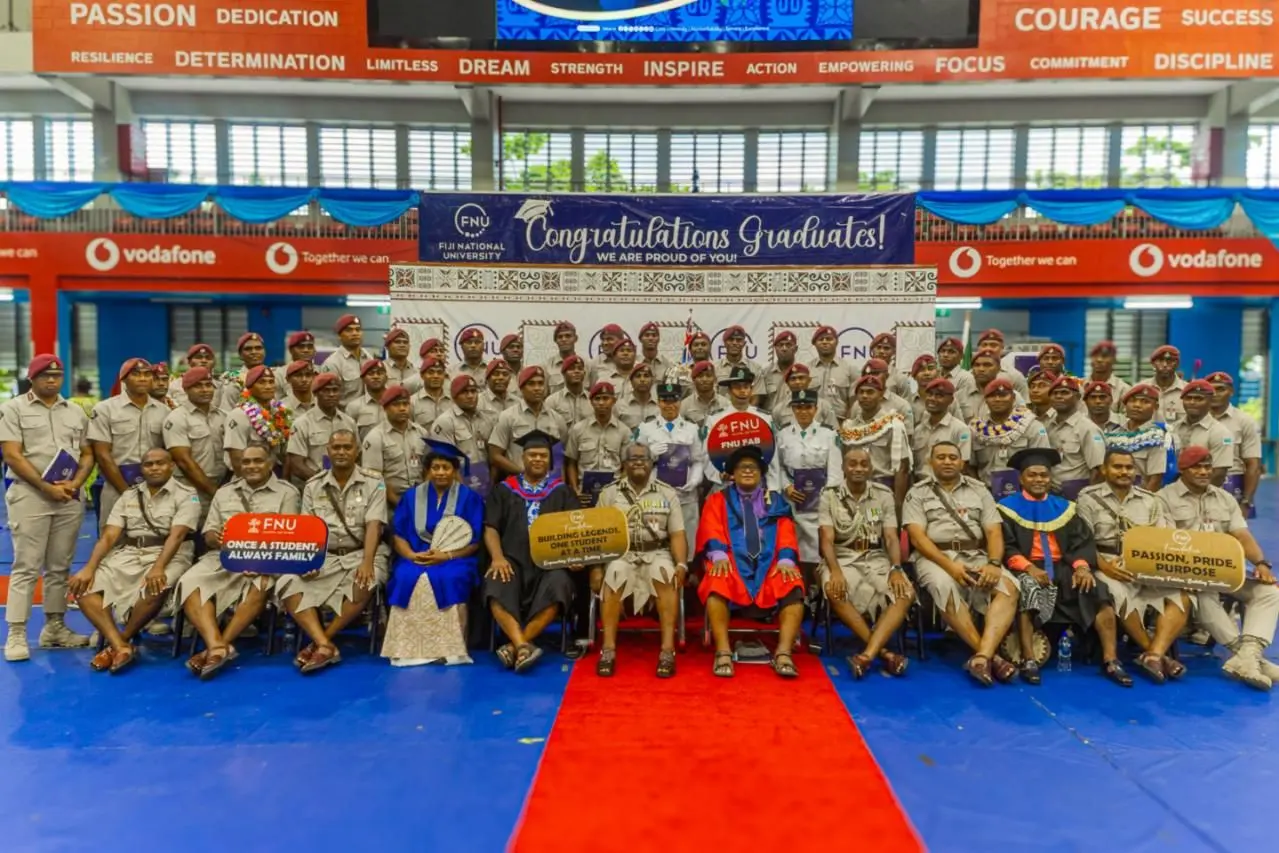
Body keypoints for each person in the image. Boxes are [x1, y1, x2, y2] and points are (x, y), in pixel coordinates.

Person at [997, 447, 1131, 686]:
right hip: (1026, 567)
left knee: (1098, 592)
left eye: (1044, 475)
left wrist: (1081, 567)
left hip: (1063, 565)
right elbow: (1007, 546)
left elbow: (1081, 542)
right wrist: (1029, 568)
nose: (1039, 480)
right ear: (1021, 479)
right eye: (1032, 475)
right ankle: (1029, 658)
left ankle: (1111, 659)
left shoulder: (1065, 508)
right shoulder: (1007, 508)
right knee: (1028, 589)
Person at [173, 445, 300, 679]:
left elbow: (288, 537)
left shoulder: (288, 493)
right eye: (246, 462)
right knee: (190, 581)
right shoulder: (224, 492)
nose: (251, 466)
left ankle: (219, 646)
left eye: (258, 461)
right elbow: (209, 533)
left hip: (266, 560)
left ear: (271, 464)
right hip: (224, 557)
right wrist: (216, 539)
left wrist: (258, 560)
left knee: (261, 584)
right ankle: (217, 646)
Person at [69, 448, 201, 673]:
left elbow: (177, 536)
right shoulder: (129, 495)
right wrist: (89, 568)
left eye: (160, 463)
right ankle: (120, 646)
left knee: (157, 585)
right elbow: (109, 536)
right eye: (148, 464)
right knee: (83, 588)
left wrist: (158, 567)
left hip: (170, 553)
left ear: (172, 466)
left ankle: (122, 640)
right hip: (130, 553)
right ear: (142, 469)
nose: (154, 468)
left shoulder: (187, 494)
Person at [0, 354, 96, 660]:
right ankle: (17, 632)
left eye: (57, 375)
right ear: (32, 378)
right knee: (26, 565)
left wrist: (76, 483)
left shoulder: (75, 412)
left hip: (68, 497)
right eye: (45, 376)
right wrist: (46, 487)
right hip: (30, 494)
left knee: (60, 565)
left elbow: (87, 453)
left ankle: (55, 626)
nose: (52, 380)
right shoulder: (13, 409)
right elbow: (12, 455)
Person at [1158, 446, 1279, 689]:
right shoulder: (1164, 499)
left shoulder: (1224, 498)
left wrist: (1261, 563)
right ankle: (1247, 658)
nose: (1204, 472)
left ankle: (1248, 656)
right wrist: (1189, 572)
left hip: (1225, 570)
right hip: (1188, 573)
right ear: (1182, 469)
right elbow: (1165, 543)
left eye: (1207, 467)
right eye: (1197, 467)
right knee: (1202, 593)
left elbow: (1242, 535)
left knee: (1268, 591)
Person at [903, 441, 1020, 686]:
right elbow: (917, 538)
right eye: (941, 457)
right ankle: (992, 657)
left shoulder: (979, 490)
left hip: (976, 555)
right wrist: (950, 567)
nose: (947, 461)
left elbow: (994, 532)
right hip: (935, 557)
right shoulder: (917, 492)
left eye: (952, 457)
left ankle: (982, 657)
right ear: (930, 462)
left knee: (1009, 588)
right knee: (944, 585)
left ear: (962, 462)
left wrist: (994, 563)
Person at [277, 429, 388, 674]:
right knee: (287, 583)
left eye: (347, 447)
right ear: (328, 451)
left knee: (365, 582)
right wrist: (308, 561)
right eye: (336, 447)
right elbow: (307, 529)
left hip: (361, 552)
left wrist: (367, 561)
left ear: (357, 452)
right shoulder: (313, 485)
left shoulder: (374, 482)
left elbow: (374, 525)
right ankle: (325, 645)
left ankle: (323, 640)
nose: (341, 452)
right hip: (324, 556)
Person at [1076, 449, 1189, 684]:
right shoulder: (1088, 498)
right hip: (1106, 563)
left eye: (1129, 467)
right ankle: (1157, 655)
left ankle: (1154, 654)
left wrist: (1155, 568)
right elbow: (1083, 542)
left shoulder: (1150, 500)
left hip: (1145, 563)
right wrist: (1105, 566)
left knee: (1181, 596)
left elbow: (1162, 540)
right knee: (1117, 593)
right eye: (1117, 467)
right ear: (1104, 469)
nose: (1124, 472)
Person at [696, 444, 805, 679]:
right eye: (742, 467)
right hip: (731, 561)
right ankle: (723, 651)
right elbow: (710, 528)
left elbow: (786, 531)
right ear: (732, 474)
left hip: (770, 564)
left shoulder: (775, 501)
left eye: (753, 467)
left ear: (761, 473)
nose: (748, 471)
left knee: (791, 582)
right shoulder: (717, 500)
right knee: (717, 579)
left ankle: (783, 653)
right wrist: (718, 554)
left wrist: (786, 559)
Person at [482, 430, 579, 673]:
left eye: (543, 455)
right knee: (495, 583)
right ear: (522, 458)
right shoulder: (504, 490)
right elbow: (491, 528)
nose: (537, 459)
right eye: (532, 455)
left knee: (560, 585)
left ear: (550, 460)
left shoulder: (562, 491)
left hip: (551, 564)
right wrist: (497, 558)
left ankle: (516, 644)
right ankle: (523, 645)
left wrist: (575, 558)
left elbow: (576, 530)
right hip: (512, 560)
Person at [382, 439, 484, 667]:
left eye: (446, 468)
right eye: (435, 467)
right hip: (416, 555)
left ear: (455, 471)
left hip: (455, 558)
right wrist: (410, 555)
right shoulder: (411, 497)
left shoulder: (470, 498)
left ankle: (450, 651)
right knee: (405, 576)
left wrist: (446, 556)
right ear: (427, 470)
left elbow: (475, 541)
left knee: (450, 577)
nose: (440, 472)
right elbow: (399, 534)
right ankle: (407, 650)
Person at [594, 441, 689, 678]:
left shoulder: (667, 493)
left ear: (651, 463)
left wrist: (681, 564)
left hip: (657, 552)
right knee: (614, 574)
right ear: (624, 464)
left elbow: (677, 533)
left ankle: (667, 650)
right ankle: (608, 649)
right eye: (633, 459)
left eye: (643, 458)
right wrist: (596, 568)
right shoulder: (609, 493)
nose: (638, 462)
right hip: (621, 553)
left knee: (665, 575)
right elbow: (596, 534)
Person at [819, 445, 914, 679]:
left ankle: (867, 655)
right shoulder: (829, 495)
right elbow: (827, 540)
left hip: (876, 557)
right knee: (834, 588)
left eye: (864, 464)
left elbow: (891, 537)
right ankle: (885, 653)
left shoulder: (883, 494)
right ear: (843, 467)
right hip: (842, 557)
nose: (858, 469)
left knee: (904, 592)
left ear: (871, 468)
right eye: (852, 464)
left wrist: (896, 568)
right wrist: (835, 570)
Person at [88, 357, 169, 532]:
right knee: (113, 538)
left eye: (147, 374)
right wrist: (126, 493)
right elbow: (102, 455)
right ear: (123, 379)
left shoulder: (164, 411)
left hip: (154, 488)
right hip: (116, 487)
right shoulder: (105, 409)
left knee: (153, 538)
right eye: (136, 374)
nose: (143, 378)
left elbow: (167, 452)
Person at [776, 389, 843, 578]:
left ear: (816, 409)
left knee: (819, 545)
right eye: (798, 407)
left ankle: (818, 586)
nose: (803, 411)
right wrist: (786, 487)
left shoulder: (828, 434)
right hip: (792, 499)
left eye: (808, 407)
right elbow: (777, 467)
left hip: (819, 499)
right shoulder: (783, 434)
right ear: (792, 409)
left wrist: (826, 496)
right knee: (794, 544)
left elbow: (835, 471)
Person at [635, 381, 706, 536]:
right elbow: (636, 463)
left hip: (685, 495)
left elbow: (698, 460)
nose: (670, 405)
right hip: (655, 494)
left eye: (674, 400)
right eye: (665, 401)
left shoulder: (692, 428)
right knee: (655, 537)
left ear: (680, 402)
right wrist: (650, 455)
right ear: (658, 402)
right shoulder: (646, 428)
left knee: (688, 538)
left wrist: (695, 480)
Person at [162, 366, 228, 517]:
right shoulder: (177, 418)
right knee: (193, 528)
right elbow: (184, 462)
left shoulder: (223, 416)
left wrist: (224, 490)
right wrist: (214, 492)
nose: (205, 390)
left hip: (222, 486)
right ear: (186, 390)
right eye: (198, 386)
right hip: (190, 489)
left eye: (208, 385)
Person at [839, 375, 911, 508]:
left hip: (882, 489)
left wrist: (898, 504)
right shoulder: (849, 427)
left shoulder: (893, 425)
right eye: (861, 392)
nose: (864, 396)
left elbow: (902, 468)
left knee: (877, 521)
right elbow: (843, 464)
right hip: (854, 489)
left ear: (881, 395)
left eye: (870, 392)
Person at [971, 378, 1051, 497]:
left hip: (1023, 494)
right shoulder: (977, 429)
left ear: (1013, 398)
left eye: (1003, 395)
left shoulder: (1031, 426)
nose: (997, 399)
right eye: (992, 396)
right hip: (986, 492)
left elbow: (1042, 465)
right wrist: (981, 492)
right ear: (985, 400)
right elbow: (970, 467)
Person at [703, 365, 776, 490]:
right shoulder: (715, 419)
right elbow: (706, 454)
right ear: (729, 391)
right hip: (725, 485)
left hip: (757, 486)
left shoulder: (764, 418)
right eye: (737, 387)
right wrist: (718, 474)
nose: (742, 391)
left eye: (746, 387)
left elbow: (773, 456)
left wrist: (773, 489)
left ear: (751, 390)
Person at [488, 366, 569, 479]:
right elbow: (495, 456)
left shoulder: (557, 419)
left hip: (549, 483)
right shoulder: (508, 416)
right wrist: (523, 473)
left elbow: (561, 457)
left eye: (540, 384)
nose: (537, 388)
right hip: (517, 482)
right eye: (531, 384)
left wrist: (560, 484)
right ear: (522, 388)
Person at [362, 385, 429, 508]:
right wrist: (399, 503)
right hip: (389, 502)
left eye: (405, 404)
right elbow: (374, 480)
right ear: (385, 408)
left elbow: (428, 470)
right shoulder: (375, 437)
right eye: (396, 405)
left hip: (421, 498)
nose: (402, 408)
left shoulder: (421, 433)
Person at [563, 381, 628, 507]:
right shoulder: (578, 429)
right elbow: (571, 463)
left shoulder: (624, 431)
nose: (601, 403)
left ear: (614, 401)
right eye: (597, 399)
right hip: (584, 493)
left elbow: (626, 466)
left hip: (613, 494)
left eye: (606, 398)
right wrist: (575, 490)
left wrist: (621, 489)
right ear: (591, 402)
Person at [430, 376, 497, 497]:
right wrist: (464, 495)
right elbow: (445, 462)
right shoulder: (445, 421)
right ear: (454, 396)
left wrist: (492, 486)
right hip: (457, 484)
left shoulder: (486, 419)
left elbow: (493, 456)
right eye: (464, 392)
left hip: (485, 481)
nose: (470, 396)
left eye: (473, 391)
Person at [285, 373, 356, 487]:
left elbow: (357, 456)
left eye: (335, 390)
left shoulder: (349, 422)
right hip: (313, 486)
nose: (331, 394)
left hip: (346, 485)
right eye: (326, 391)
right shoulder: (302, 424)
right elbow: (296, 464)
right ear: (316, 393)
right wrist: (323, 483)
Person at [1206, 371, 1262, 512]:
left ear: (1231, 391)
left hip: (1232, 486)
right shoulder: (1195, 419)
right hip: (1198, 482)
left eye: (1221, 389)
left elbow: (1253, 465)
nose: (1215, 394)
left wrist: (1247, 501)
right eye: (1211, 390)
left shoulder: (1244, 421)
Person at [223, 365, 290, 478]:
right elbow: (236, 458)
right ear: (250, 387)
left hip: (275, 474)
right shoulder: (239, 415)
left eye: (271, 382)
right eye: (261, 382)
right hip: (249, 476)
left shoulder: (279, 412)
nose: (268, 386)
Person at [1045, 374, 1104, 498]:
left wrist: (1087, 498)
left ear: (1077, 397)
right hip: (1050, 493)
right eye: (1055, 393)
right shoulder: (1048, 426)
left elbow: (1099, 470)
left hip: (1077, 494)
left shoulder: (1087, 428)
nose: (1059, 396)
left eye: (1064, 393)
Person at [1106, 384, 1172, 492]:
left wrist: (1142, 500)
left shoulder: (1156, 437)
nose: (1137, 405)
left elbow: (1155, 479)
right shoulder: (1113, 434)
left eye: (1145, 402)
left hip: (1141, 494)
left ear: (1155, 407)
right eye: (1132, 401)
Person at [1172, 380, 1233, 487]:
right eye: (1188, 398)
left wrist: (1194, 493)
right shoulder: (1173, 428)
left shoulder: (1220, 432)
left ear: (1210, 402)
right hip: (1173, 489)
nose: (1192, 402)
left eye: (1198, 399)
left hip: (1204, 491)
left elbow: (1219, 473)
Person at [910, 378, 972, 480]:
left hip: (947, 484)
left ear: (951, 400)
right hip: (920, 485)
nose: (932, 398)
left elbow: (963, 465)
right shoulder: (919, 430)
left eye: (939, 396)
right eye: (930, 394)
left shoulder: (960, 429)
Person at [319, 314, 376, 406]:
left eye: (358, 329)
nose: (355, 333)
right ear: (339, 336)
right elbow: (328, 399)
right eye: (349, 330)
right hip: (346, 413)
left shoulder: (368, 357)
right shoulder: (332, 364)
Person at [770, 363, 837, 430]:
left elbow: (834, 432)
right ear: (787, 383)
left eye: (801, 378)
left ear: (809, 380)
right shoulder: (778, 410)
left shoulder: (824, 406)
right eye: (793, 379)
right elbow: (775, 433)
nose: (797, 382)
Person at [213, 333, 268, 412]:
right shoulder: (234, 380)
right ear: (240, 355)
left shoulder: (274, 376)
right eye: (248, 349)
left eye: (258, 348)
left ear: (264, 351)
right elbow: (226, 411)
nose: (254, 352)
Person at [714, 325, 766, 404]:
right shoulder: (715, 368)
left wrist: (745, 411)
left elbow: (757, 396)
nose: (734, 343)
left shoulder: (755, 368)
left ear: (744, 343)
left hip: (747, 410)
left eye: (738, 340)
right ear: (724, 343)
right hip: (722, 410)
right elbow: (713, 395)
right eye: (731, 340)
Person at [810, 325, 856, 413]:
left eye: (829, 339)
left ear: (836, 342)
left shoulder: (849, 369)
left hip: (840, 419)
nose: (825, 342)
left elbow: (854, 402)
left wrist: (848, 420)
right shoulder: (807, 369)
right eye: (821, 339)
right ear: (815, 344)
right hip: (813, 418)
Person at [858, 359, 914, 428]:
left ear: (887, 376)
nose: (871, 377)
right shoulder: (857, 405)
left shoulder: (901, 406)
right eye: (867, 374)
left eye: (875, 374)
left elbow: (907, 434)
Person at [975, 329, 1030, 398]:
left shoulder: (1015, 376)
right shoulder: (969, 375)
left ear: (1002, 348)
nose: (988, 349)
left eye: (993, 345)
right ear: (978, 348)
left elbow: (1024, 402)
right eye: (984, 345)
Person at [345, 359, 389, 442]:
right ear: (363, 379)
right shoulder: (354, 407)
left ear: (386, 378)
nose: (376, 376)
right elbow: (350, 438)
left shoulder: (396, 404)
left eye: (379, 373)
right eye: (371, 374)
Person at [1145, 345, 1187, 424]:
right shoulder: (1142, 388)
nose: (1165, 365)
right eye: (1160, 360)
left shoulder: (1187, 391)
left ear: (1177, 364)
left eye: (1170, 361)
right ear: (1153, 364)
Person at [546, 354, 592, 426]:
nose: (576, 371)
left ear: (584, 373)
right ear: (563, 373)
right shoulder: (552, 401)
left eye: (580, 369)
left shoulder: (592, 400)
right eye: (572, 369)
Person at [678, 360, 728, 426]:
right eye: (700, 376)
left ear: (715, 379)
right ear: (693, 380)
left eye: (708, 376)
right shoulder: (684, 406)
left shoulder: (726, 404)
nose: (704, 379)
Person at [410, 356, 453, 430]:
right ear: (422, 375)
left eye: (439, 372)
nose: (436, 376)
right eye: (431, 372)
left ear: (444, 376)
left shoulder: (453, 400)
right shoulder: (412, 402)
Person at [272, 331, 317, 400]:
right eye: (301, 347)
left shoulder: (321, 371)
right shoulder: (279, 374)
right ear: (291, 350)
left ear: (314, 350)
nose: (306, 350)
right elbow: (275, 401)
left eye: (310, 347)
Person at [761, 330, 799, 411]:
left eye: (788, 345)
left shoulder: (803, 373)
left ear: (795, 349)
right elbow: (757, 403)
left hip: (794, 417)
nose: (784, 348)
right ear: (775, 349)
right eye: (780, 345)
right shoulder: (765, 373)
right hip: (769, 417)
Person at [1088, 341, 1130, 411]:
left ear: (1114, 360)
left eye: (1104, 356)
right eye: (1095, 356)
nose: (1099, 360)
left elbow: (1126, 416)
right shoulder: (1080, 386)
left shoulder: (1123, 389)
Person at [616, 362, 659, 430]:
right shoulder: (620, 406)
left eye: (646, 376)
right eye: (638, 376)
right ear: (631, 381)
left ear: (652, 381)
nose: (642, 380)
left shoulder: (661, 406)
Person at [543, 321, 581, 394]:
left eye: (568, 336)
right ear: (555, 340)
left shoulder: (587, 365)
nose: (564, 339)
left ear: (575, 338)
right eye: (560, 337)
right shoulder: (547, 366)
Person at [383, 328, 422, 394]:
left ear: (409, 346)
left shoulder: (416, 371)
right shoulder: (381, 369)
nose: (402, 345)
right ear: (387, 347)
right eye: (397, 342)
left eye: (405, 342)